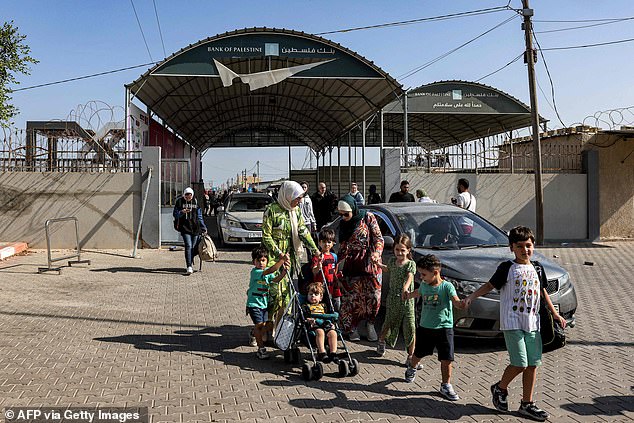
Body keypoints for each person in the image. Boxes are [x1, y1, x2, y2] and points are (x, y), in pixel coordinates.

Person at [462, 226, 566, 421]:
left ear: (533, 245)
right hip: (512, 322)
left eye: (528, 245)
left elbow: (543, 293)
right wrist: (471, 297)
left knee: (533, 364)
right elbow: (489, 285)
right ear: (512, 248)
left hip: (533, 323)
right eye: (520, 246)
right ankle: (500, 388)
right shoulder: (506, 268)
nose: (525, 250)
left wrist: (556, 314)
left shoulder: (537, 267)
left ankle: (527, 404)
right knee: (520, 363)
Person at [403, 254, 464, 401]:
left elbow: (455, 301)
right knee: (418, 353)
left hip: (445, 328)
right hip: (426, 327)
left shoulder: (446, 287)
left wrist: (461, 304)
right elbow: (418, 292)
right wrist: (408, 295)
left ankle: (445, 385)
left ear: (435, 272)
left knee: (447, 358)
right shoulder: (424, 285)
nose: (421, 277)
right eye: (420, 274)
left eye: (423, 274)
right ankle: (412, 367)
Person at [262, 180, 320, 325]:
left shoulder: (296, 211)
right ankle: (265, 328)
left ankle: (281, 328)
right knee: (273, 294)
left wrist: (315, 249)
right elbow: (266, 235)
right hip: (273, 259)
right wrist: (279, 253)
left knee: (286, 296)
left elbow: (303, 232)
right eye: (298, 198)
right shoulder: (272, 210)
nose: (300, 202)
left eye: (301, 198)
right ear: (288, 195)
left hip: (289, 259)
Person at [337, 194, 384, 342]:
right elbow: (342, 247)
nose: (344, 217)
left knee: (374, 298)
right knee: (351, 299)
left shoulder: (368, 217)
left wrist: (376, 253)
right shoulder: (343, 224)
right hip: (352, 266)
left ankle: (370, 325)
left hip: (370, 264)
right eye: (341, 214)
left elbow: (378, 238)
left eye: (346, 214)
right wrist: (338, 265)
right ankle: (352, 329)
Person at [376, 234, 417, 368]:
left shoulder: (410, 264)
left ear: (408, 250)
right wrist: (378, 264)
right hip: (393, 298)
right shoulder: (393, 261)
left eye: (403, 250)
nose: (400, 253)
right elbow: (388, 269)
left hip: (406, 300)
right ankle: (381, 341)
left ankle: (411, 356)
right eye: (397, 250)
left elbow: (410, 277)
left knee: (410, 326)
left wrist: (405, 288)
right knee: (389, 321)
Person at [246, 247, 289, 359]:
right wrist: (282, 260)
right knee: (260, 326)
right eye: (258, 260)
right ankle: (261, 349)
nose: (261, 263)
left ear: (267, 261)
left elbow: (275, 279)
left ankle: (254, 333)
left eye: (264, 260)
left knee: (269, 325)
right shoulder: (256, 272)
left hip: (264, 304)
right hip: (254, 303)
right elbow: (271, 270)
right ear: (253, 262)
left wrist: (284, 273)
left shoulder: (268, 273)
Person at [302, 282, 340, 363]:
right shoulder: (306, 306)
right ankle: (322, 352)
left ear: (321, 297)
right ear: (307, 296)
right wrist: (309, 320)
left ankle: (333, 353)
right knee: (320, 332)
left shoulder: (323, 306)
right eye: (310, 294)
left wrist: (332, 322)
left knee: (333, 333)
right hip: (314, 325)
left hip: (325, 324)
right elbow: (305, 317)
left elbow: (328, 315)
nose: (313, 296)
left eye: (316, 294)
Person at [173, 187, 207, 274]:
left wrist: (203, 227)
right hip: (185, 228)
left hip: (196, 228)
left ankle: (190, 261)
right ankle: (189, 266)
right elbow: (175, 214)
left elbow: (199, 216)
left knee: (193, 247)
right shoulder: (179, 202)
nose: (188, 197)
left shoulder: (195, 202)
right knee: (188, 245)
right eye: (187, 195)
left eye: (190, 195)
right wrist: (182, 212)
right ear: (184, 194)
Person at [311, 228, 341, 312]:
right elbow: (314, 271)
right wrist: (318, 266)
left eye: (329, 242)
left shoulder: (334, 256)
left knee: (334, 306)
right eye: (324, 242)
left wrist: (337, 278)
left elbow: (335, 269)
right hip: (321, 287)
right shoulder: (317, 257)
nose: (326, 244)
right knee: (322, 308)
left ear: (333, 243)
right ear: (319, 242)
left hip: (332, 286)